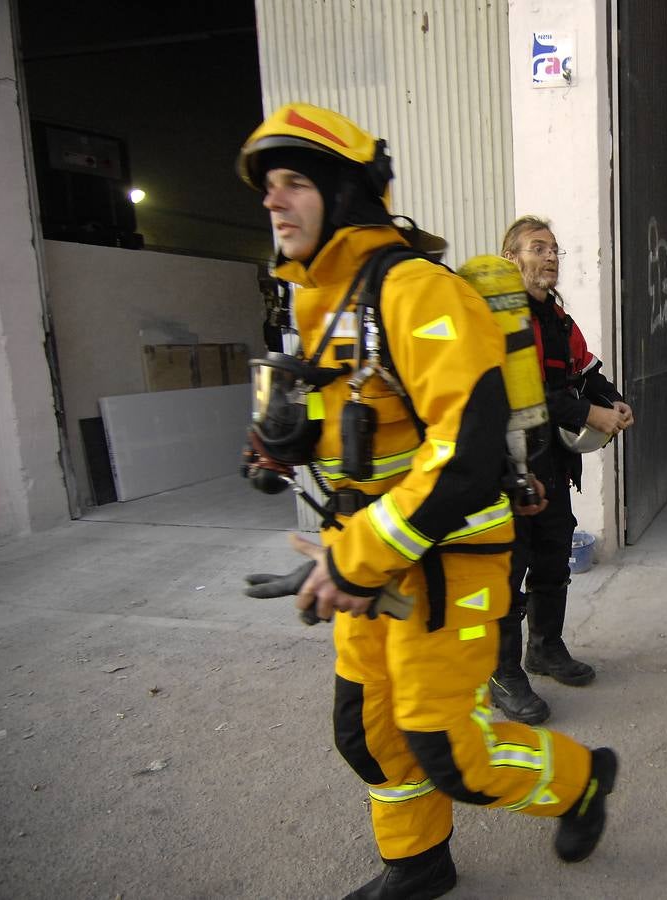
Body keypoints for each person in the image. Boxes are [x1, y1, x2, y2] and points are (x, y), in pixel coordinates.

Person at [236, 104, 617, 899]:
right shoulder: (314, 303)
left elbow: (469, 454)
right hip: (364, 561)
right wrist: (284, 442)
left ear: (346, 196)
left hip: (445, 565)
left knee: (455, 753)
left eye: (294, 184)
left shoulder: (415, 291)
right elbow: (359, 425)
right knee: (368, 735)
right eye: (268, 188)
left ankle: (580, 777)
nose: (273, 202)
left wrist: (360, 554)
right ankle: (417, 865)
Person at [488, 215, 634, 724]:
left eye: (554, 249)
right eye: (537, 248)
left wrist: (613, 401)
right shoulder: (499, 317)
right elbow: (513, 390)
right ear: (511, 259)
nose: (550, 256)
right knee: (507, 569)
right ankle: (502, 673)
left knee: (553, 556)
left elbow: (585, 369)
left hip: (549, 461)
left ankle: (544, 649)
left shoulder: (556, 316)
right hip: (503, 467)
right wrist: (585, 413)